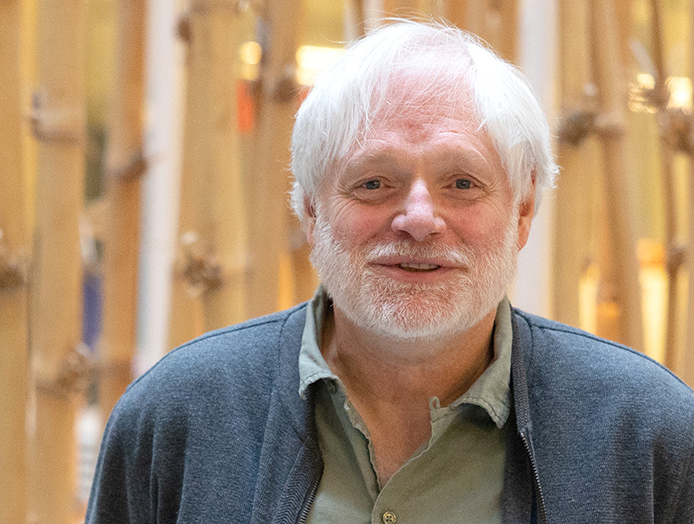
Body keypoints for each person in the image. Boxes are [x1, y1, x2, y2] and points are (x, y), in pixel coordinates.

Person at [85, 20, 694, 523]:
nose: (419, 219)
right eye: (374, 182)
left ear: (523, 209)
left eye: (462, 182)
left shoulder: (647, 436)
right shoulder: (177, 418)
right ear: (311, 209)